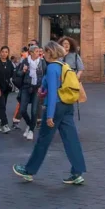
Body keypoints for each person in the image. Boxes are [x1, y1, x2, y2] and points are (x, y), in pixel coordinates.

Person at [12, 41, 87, 185]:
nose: (42, 54)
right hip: (67, 105)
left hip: (56, 107)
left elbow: (53, 93)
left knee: (43, 140)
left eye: (44, 52)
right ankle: (77, 172)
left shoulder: (52, 68)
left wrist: (50, 115)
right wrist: (43, 91)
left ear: (50, 53)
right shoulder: (63, 65)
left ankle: (29, 170)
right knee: (71, 139)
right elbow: (55, 88)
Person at [16, 45, 45, 140]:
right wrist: (23, 71)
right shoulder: (25, 61)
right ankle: (29, 124)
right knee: (22, 110)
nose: (39, 53)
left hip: (37, 88)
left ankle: (31, 131)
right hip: (26, 87)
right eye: (36, 51)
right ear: (31, 53)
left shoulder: (42, 62)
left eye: (39, 51)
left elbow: (45, 75)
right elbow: (18, 73)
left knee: (34, 111)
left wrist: (42, 86)